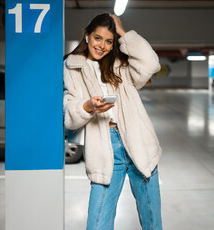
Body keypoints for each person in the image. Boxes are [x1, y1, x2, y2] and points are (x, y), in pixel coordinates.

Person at [63, 13, 162, 230]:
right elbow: (68, 111)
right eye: (98, 38)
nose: (102, 46)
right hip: (105, 148)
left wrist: (124, 33)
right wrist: (88, 106)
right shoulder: (72, 67)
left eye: (109, 41)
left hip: (138, 143)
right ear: (87, 36)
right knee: (97, 224)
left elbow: (152, 64)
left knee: (152, 222)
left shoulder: (121, 66)